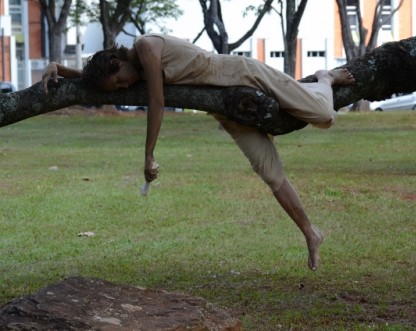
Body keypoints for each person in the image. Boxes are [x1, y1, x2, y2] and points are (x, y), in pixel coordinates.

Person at [42, 33, 355, 271]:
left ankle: (324, 78)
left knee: (324, 117)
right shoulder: (127, 70)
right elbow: (92, 80)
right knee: (271, 175)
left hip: (243, 75)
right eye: (119, 88)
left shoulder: (147, 48)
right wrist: (55, 66)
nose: (124, 87)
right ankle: (311, 233)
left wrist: (148, 154)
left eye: (120, 81)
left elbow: (157, 101)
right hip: (227, 109)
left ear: (117, 62)